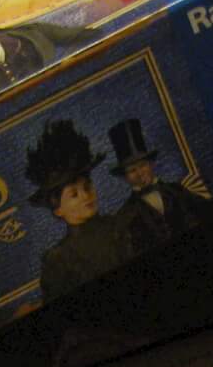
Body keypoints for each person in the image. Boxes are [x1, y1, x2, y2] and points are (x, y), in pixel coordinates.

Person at [23, 119, 135, 302]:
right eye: (74, 194)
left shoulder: (121, 225)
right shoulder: (58, 260)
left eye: (87, 186)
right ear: (58, 210)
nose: (85, 196)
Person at [107, 116, 211, 254]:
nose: (140, 173)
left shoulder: (177, 190)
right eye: (132, 170)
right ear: (125, 177)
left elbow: (207, 211)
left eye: (142, 165)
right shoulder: (125, 215)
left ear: (151, 164)